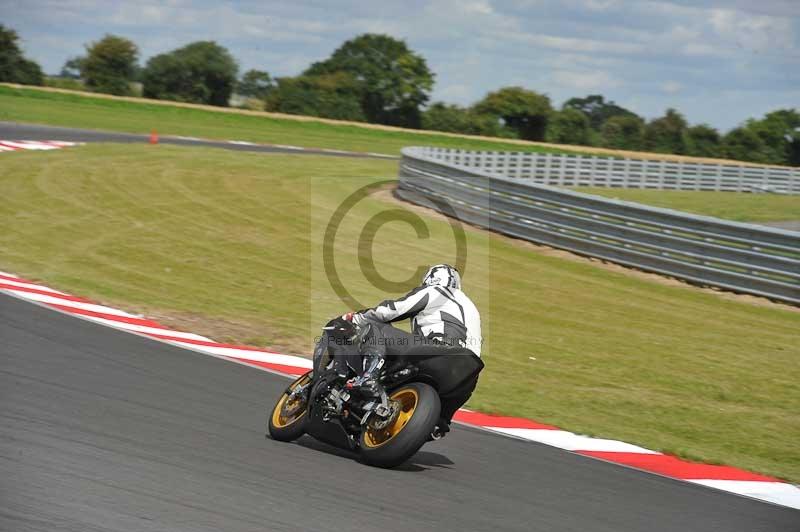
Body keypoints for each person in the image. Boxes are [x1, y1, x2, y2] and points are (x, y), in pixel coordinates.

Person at [349, 264, 483, 438]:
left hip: (438, 351)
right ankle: (440, 422)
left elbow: (391, 311)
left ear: (432, 279)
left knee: (375, 329)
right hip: (467, 375)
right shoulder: (472, 308)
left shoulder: (436, 291)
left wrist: (358, 318)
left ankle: (368, 377)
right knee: (438, 422)